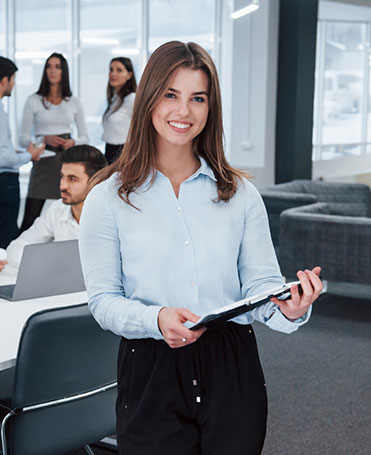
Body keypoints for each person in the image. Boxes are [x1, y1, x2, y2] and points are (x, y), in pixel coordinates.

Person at [78, 41, 323, 455]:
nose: (183, 112)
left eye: (198, 98)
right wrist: (156, 319)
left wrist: (289, 308)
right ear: (149, 98)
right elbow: (103, 301)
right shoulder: (107, 197)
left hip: (232, 363)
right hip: (151, 364)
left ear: (211, 108)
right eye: (171, 95)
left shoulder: (239, 193)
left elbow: (260, 287)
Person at [0, 145, 106, 272]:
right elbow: (17, 247)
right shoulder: (58, 208)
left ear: (96, 182)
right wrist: (48, 265)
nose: (63, 185)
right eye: (62, 176)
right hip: (65, 287)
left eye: (72, 179)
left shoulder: (113, 215)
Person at [19, 52, 89, 232]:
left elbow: (85, 138)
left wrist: (72, 142)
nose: (52, 70)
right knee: (29, 221)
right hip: (43, 164)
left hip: (66, 164)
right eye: (49, 66)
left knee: (72, 217)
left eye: (57, 67)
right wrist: (43, 139)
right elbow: (22, 140)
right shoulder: (33, 100)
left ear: (64, 71)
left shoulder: (73, 102)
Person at [0, 57, 44, 249]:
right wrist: (29, 156)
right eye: (13, 79)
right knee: (6, 238)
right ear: (4, 80)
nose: (14, 83)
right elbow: (2, 157)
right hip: (5, 182)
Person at [102, 57, 136, 165]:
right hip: (110, 151)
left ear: (129, 75)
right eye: (111, 70)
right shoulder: (115, 99)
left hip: (124, 153)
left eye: (119, 70)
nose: (113, 74)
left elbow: (142, 128)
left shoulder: (132, 98)